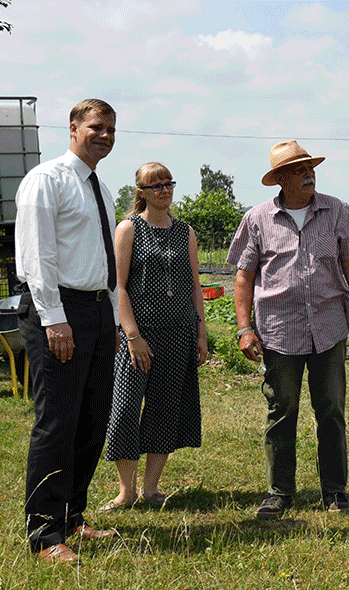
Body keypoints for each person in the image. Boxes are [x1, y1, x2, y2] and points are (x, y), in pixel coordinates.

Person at [226, 140, 349, 520]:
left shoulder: (335, 210)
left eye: (310, 167)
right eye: (298, 170)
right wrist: (245, 328)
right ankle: (280, 493)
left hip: (328, 327)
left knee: (331, 409)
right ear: (279, 179)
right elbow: (243, 278)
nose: (308, 174)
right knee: (281, 409)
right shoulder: (258, 219)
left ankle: (335, 492)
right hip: (278, 330)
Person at [15, 98, 121, 564]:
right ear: (74, 128)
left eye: (111, 129)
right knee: (57, 423)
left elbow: (106, 264)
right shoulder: (46, 180)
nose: (104, 135)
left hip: (98, 311)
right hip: (58, 310)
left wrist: (113, 322)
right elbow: (37, 258)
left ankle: (73, 516)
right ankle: (43, 533)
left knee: (92, 421)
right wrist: (54, 317)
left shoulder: (101, 187)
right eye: (96, 127)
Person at [100, 163, 207, 512]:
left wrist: (201, 332)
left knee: (165, 407)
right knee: (126, 407)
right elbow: (118, 287)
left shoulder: (185, 232)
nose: (164, 190)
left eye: (168, 184)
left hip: (179, 333)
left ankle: (151, 488)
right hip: (139, 335)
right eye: (155, 185)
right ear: (141, 192)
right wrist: (132, 335)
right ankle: (125, 491)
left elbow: (195, 285)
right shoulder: (128, 229)